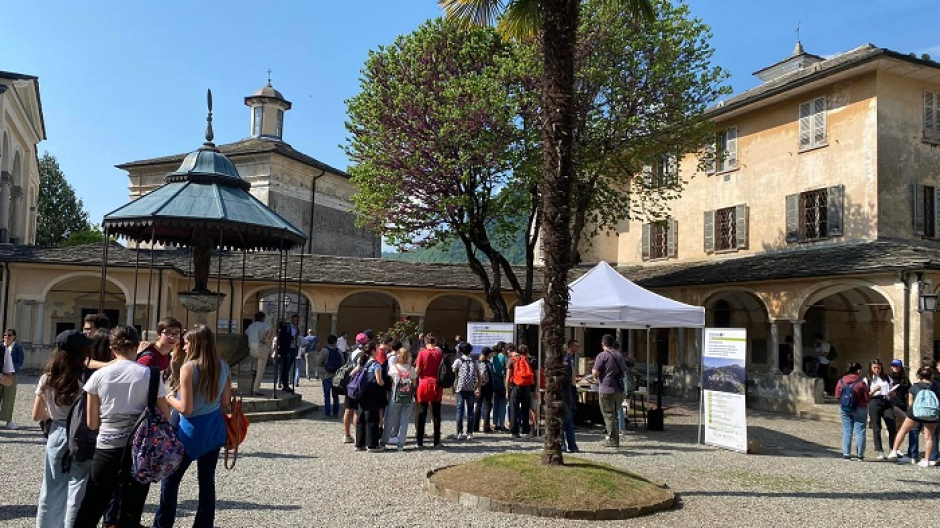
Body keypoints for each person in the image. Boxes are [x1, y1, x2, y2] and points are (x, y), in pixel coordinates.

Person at [72, 325, 171, 528]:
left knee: (92, 504)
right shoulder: (150, 375)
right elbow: (166, 415)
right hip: (140, 448)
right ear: (137, 347)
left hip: (107, 445)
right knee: (131, 509)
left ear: (111, 348)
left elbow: (92, 423)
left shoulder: (99, 376)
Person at [153, 325, 231, 528]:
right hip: (213, 430)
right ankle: (204, 524)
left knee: (171, 480)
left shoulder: (189, 368)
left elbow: (186, 409)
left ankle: (163, 524)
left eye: (186, 343)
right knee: (206, 482)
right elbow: (225, 403)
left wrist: (169, 397)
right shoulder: (223, 365)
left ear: (195, 344)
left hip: (189, 433)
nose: (184, 347)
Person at [33, 330, 95, 528]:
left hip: (57, 432)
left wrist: (56, 413)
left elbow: (37, 414)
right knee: (78, 487)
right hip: (82, 434)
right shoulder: (88, 379)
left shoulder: (47, 378)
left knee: (51, 488)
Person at [887, 366, 939, 467]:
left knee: (903, 430)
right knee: (929, 438)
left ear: (919, 375)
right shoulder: (936, 386)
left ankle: (894, 450)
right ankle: (927, 460)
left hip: (915, 413)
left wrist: (911, 412)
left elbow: (910, 403)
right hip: (931, 413)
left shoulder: (915, 386)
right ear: (931, 376)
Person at [592, 334, 629, 448]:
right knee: (614, 415)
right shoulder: (619, 355)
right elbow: (624, 370)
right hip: (619, 389)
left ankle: (612, 440)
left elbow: (595, 372)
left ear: (603, 344)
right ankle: (615, 438)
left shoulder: (602, 356)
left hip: (606, 389)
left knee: (608, 415)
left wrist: (595, 376)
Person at [835, 362, 870, 460]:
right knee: (860, 431)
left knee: (847, 431)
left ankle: (846, 453)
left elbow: (837, 396)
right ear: (858, 371)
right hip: (860, 408)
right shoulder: (861, 383)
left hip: (845, 408)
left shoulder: (841, 381)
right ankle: (860, 455)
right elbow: (867, 398)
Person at [353, 342, 384, 452]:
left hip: (362, 392)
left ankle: (359, 443)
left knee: (361, 417)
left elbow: (352, 373)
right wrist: (384, 382)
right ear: (373, 351)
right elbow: (379, 381)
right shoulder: (376, 364)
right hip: (372, 391)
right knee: (371, 418)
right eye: (377, 348)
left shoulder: (362, 362)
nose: (379, 350)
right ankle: (372, 445)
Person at [383, 347, 416, 450]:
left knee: (390, 418)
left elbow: (391, 380)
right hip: (408, 396)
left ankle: (384, 441)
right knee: (405, 419)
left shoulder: (394, 368)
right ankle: (401, 443)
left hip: (396, 395)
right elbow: (414, 383)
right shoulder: (411, 369)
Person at [415, 334, 444, 448]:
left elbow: (418, 369)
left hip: (424, 383)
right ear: (435, 342)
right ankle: (436, 440)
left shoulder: (422, 353)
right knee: (436, 413)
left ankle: (420, 441)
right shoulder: (439, 353)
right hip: (436, 384)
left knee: (422, 412)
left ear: (425, 342)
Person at [866, 359, 896, 459]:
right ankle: (879, 451)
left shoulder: (887, 378)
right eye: (874, 368)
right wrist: (874, 390)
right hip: (874, 401)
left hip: (886, 401)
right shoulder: (868, 379)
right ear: (871, 368)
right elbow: (866, 396)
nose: (877, 370)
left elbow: (892, 390)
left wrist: (892, 393)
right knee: (876, 427)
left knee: (891, 424)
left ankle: (893, 449)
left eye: (878, 368)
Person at [342, 333, 369, 443]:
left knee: (348, 409)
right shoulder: (365, 354)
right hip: (360, 383)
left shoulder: (352, 353)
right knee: (357, 410)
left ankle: (347, 434)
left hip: (351, 383)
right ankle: (358, 434)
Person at [506, 344, 536, 439]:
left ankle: (515, 431)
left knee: (514, 408)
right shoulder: (528, 360)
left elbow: (508, 377)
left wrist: (507, 390)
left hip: (516, 386)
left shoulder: (512, 360)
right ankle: (526, 431)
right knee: (525, 409)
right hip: (527, 387)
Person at [452, 342, 480, 440]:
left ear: (460, 351)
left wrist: (454, 386)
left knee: (460, 410)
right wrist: (478, 386)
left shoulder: (458, 361)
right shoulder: (474, 361)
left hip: (460, 387)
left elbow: (454, 373)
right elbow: (478, 375)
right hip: (471, 388)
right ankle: (470, 433)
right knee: (470, 411)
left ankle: (459, 432)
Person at [245, 311, 274, 396]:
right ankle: (255, 390)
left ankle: (251, 384)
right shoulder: (264, 325)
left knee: (255, 368)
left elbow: (246, 333)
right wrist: (267, 340)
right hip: (261, 348)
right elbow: (271, 331)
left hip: (252, 348)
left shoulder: (251, 326)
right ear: (263, 318)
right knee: (260, 371)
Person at [1, 328, 24, 430]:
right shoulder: (1, 347)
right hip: (1, 375)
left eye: (9, 335)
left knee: (9, 398)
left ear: (14, 337)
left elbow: (20, 360)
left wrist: (12, 370)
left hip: (11, 375)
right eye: (5, 335)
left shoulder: (17, 348)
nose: (6, 337)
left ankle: (8, 420)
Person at [562, 340, 581, 453]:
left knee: (561, 422)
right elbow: (572, 381)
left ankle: (563, 446)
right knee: (568, 422)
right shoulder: (569, 362)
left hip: (561, 395)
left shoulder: (561, 364)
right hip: (568, 394)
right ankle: (573, 446)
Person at [472, 346, 495, 435]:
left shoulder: (477, 362)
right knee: (487, 406)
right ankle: (486, 427)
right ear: (488, 354)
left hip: (479, 386)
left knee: (478, 405)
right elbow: (491, 377)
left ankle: (475, 426)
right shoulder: (489, 364)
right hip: (487, 387)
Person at [276, 314, 301, 393]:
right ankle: (285, 385)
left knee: (288, 368)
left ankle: (285, 384)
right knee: (285, 368)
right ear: (292, 320)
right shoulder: (286, 327)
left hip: (293, 349)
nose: (296, 322)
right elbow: (281, 337)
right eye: (295, 320)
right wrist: (292, 338)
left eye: (298, 320)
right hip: (286, 349)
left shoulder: (297, 329)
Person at [319, 335, 343, 417]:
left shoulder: (324, 351)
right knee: (335, 395)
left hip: (326, 375)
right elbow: (342, 364)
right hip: (336, 376)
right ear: (335, 342)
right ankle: (335, 412)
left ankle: (327, 413)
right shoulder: (339, 351)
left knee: (327, 395)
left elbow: (319, 362)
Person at [491, 341, 509, 432]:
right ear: (503, 349)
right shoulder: (505, 358)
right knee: (502, 404)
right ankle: (501, 424)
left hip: (494, 383)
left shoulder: (493, 358)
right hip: (502, 383)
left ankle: (495, 423)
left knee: (496, 404)